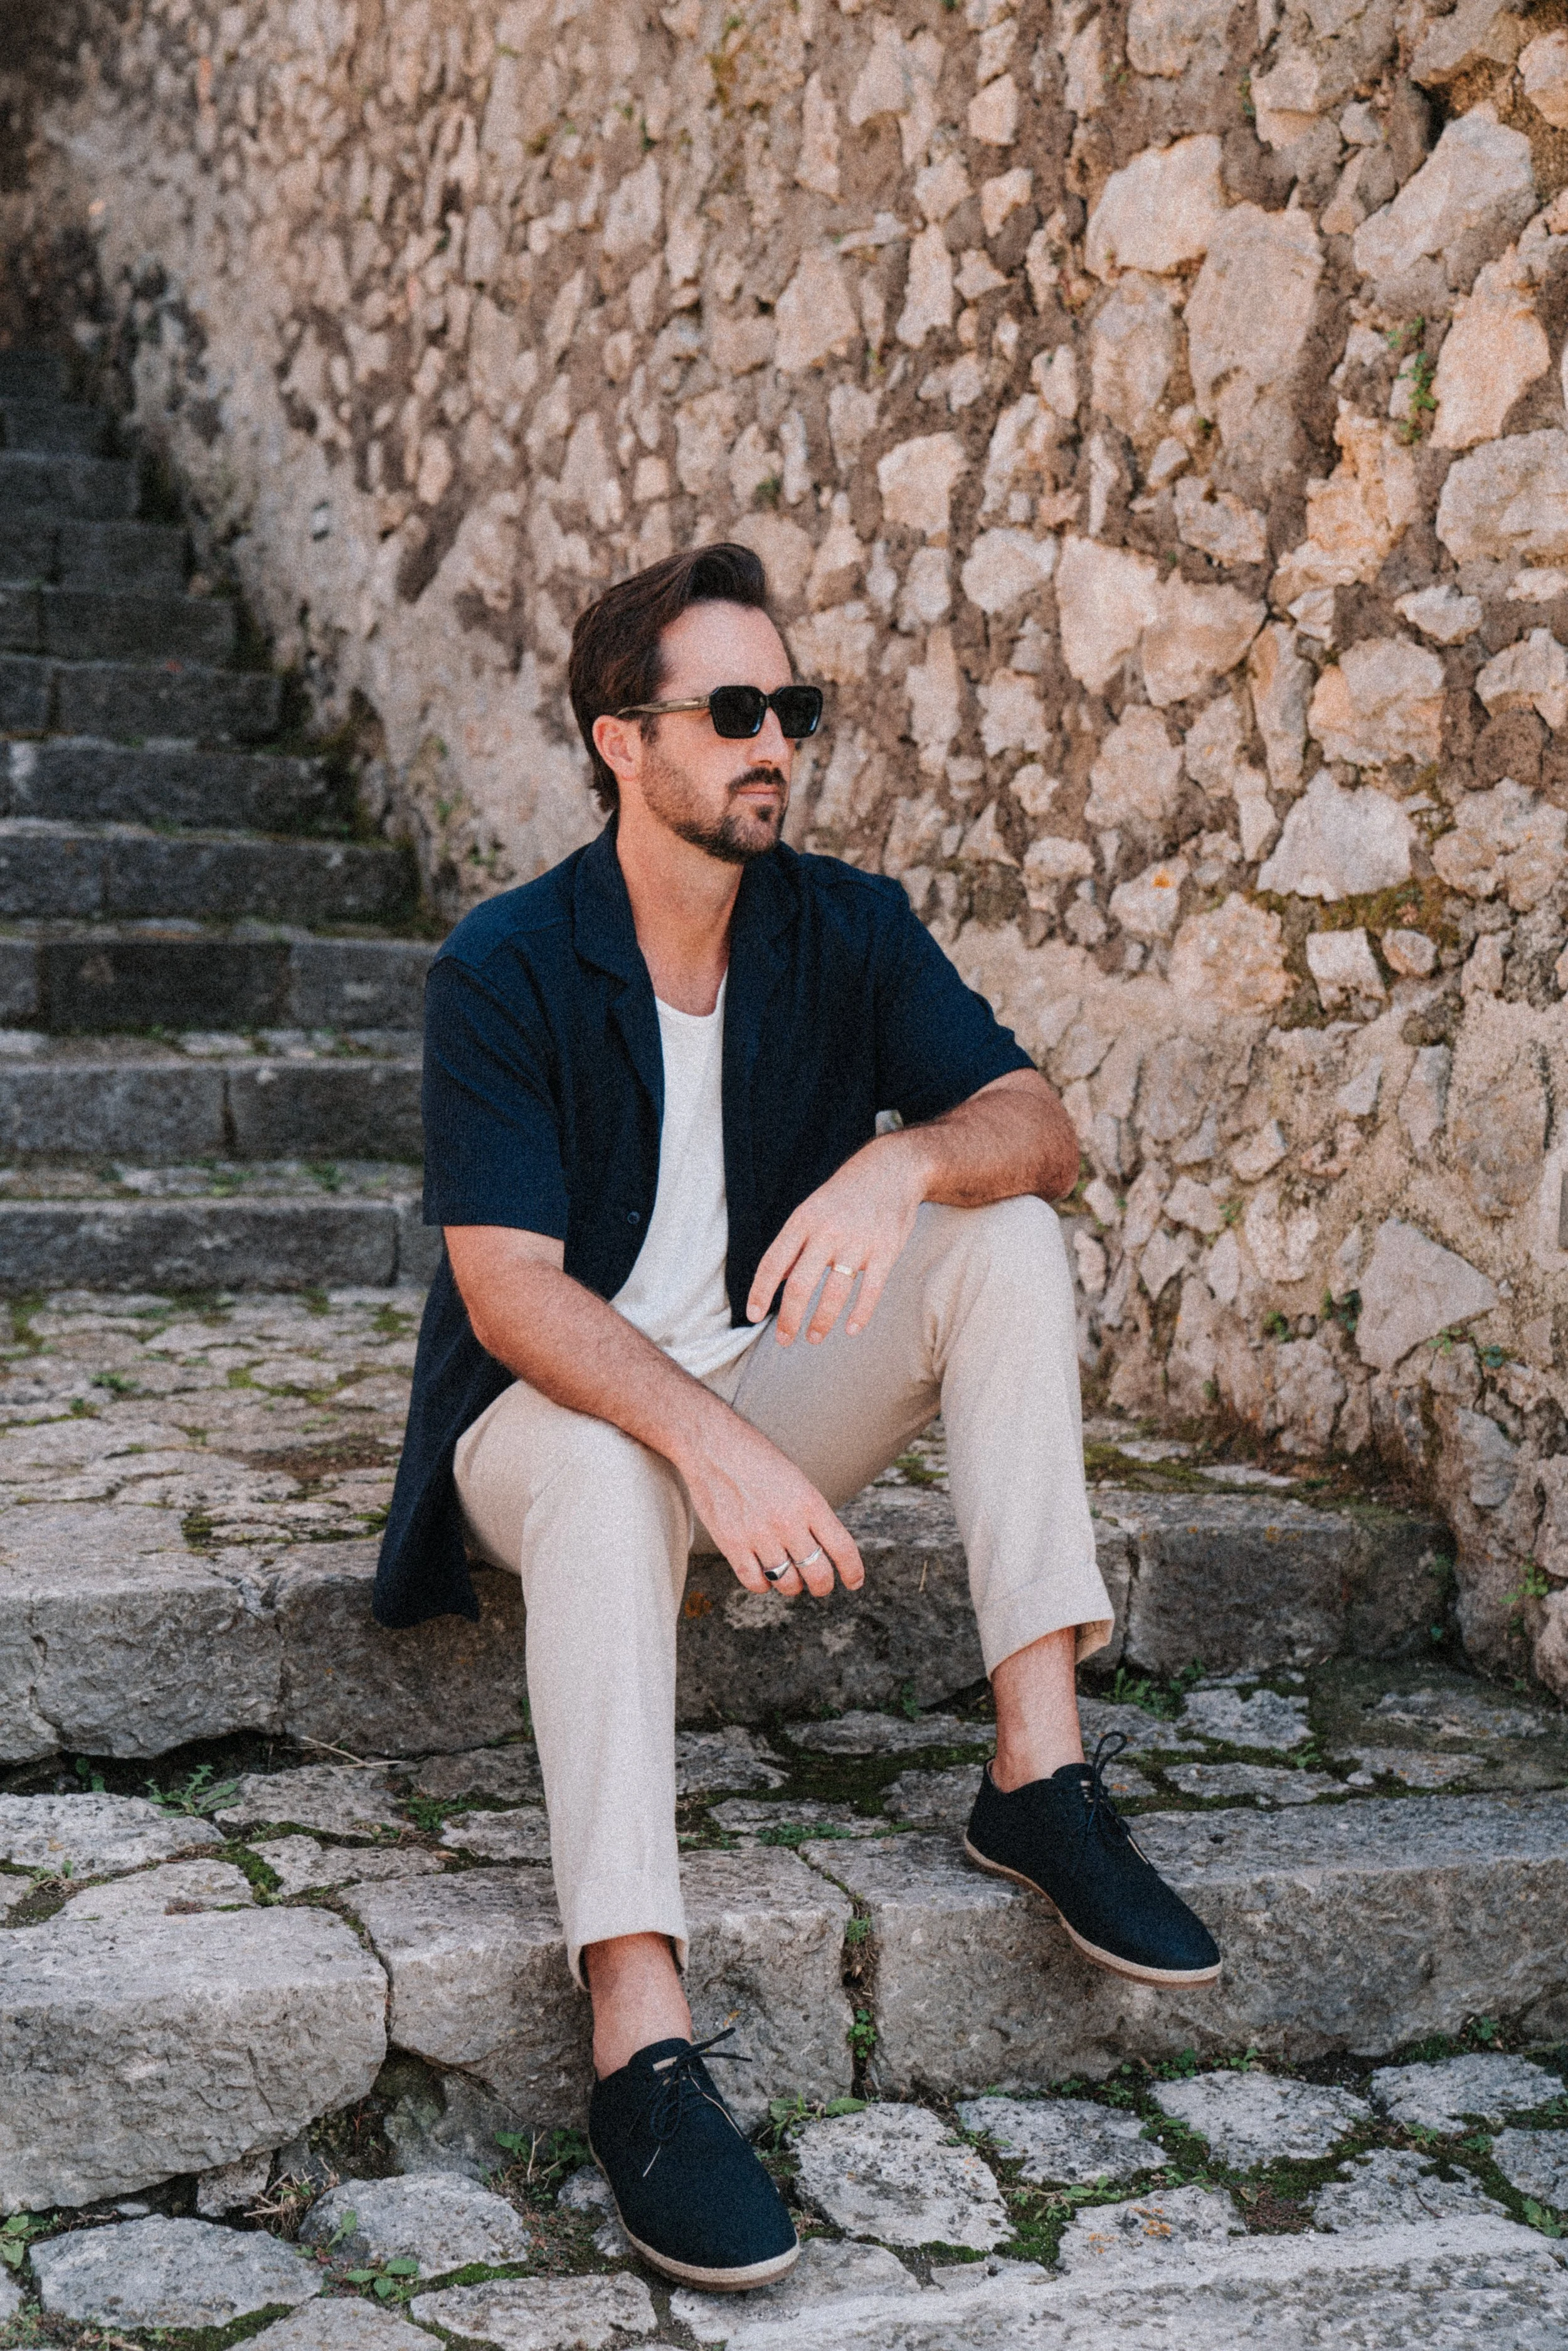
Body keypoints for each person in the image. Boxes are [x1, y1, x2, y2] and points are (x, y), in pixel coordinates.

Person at [376, 542, 1220, 2294]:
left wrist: (906, 1161)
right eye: (735, 711)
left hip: (765, 1395)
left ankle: (1040, 1777)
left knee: (1006, 1234)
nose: (776, 742)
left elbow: (1040, 1127)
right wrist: (712, 1438)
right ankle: (639, 2033)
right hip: (546, 1429)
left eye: (795, 709)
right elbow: (511, 1295)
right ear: (623, 741)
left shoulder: (844, 925)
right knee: (603, 1453)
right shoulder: (506, 965)